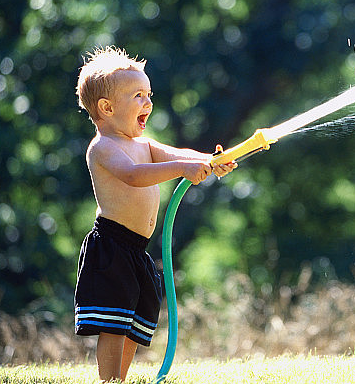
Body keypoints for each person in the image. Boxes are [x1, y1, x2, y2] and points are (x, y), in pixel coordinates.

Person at [73, 46, 236, 382]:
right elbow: (134, 175)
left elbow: (180, 154)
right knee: (114, 321)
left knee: (135, 317)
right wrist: (182, 168)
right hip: (112, 246)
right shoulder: (103, 147)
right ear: (106, 107)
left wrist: (208, 160)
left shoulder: (143, 143)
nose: (147, 102)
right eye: (138, 96)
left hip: (137, 248)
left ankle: (122, 376)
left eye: (149, 94)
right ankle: (110, 380)